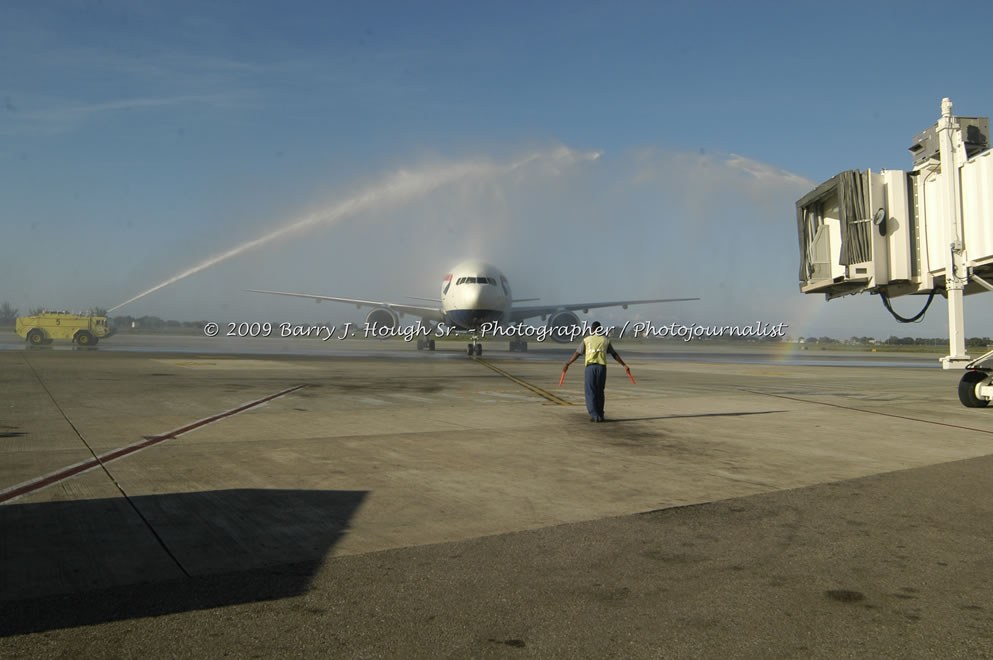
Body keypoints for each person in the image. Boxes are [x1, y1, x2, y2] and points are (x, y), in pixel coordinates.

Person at [563, 321, 630, 422]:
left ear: (592, 329)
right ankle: (600, 414)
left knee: (590, 391)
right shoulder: (606, 340)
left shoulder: (587, 340)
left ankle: (594, 415)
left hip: (591, 368)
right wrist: (624, 365)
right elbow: (614, 354)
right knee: (600, 391)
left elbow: (577, 353)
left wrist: (568, 363)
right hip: (602, 368)